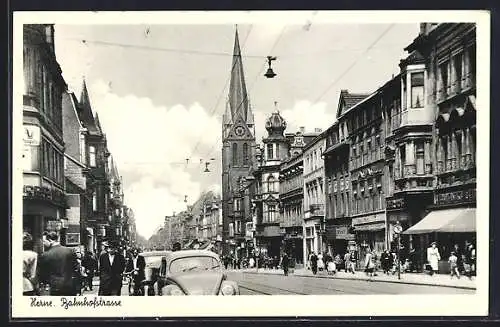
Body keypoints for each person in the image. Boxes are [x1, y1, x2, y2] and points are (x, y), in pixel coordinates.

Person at [37, 231, 78, 296]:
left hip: (54, 287)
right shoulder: (70, 251)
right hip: (70, 285)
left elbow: (42, 273)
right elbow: (75, 268)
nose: (43, 244)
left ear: (49, 240)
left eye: (44, 241)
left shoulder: (46, 255)